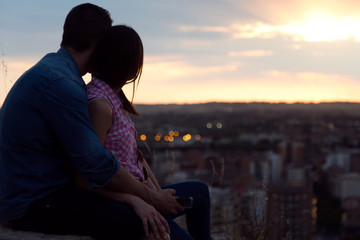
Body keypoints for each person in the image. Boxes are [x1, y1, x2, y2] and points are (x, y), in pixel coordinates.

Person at [0, 3, 181, 240]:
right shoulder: (62, 84)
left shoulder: (54, 70)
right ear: (99, 43)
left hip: (32, 194)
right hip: (33, 203)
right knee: (142, 224)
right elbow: (94, 163)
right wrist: (149, 197)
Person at [83, 24, 211, 240]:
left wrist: (157, 194)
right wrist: (147, 200)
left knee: (200, 192)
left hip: (143, 194)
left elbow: (135, 158)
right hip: (125, 204)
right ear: (131, 66)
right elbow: (90, 175)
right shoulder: (100, 105)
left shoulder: (113, 99)